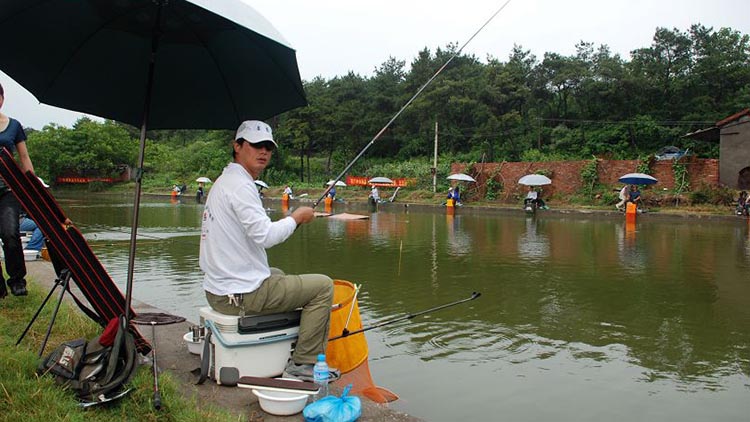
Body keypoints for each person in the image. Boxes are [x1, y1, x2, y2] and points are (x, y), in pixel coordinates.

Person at [199, 120, 335, 382]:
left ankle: (291, 342)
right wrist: (296, 218)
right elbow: (266, 236)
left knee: (277, 273)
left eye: (268, 147)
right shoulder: (241, 185)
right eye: (256, 145)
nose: (263, 152)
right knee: (323, 287)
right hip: (238, 296)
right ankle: (304, 363)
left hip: (217, 290)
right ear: (237, 146)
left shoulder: (225, 181)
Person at [0, 82, 34, 298]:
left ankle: (17, 279)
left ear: (2, 98)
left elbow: (24, 157)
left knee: (10, 234)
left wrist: (33, 186)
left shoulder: (14, 125)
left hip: (8, 189)